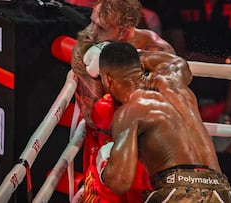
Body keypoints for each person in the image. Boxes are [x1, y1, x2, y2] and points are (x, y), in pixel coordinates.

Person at [96, 42, 231, 202]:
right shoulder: (173, 82)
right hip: (221, 189)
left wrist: (104, 163)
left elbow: (120, 181)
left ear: (107, 80)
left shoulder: (129, 113)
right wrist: (134, 55)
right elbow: (179, 62)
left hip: (178, 192)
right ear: (142, 68)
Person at [69, 0, 176, 201]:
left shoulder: (157, 52)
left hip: (143, 149)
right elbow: (92, 115)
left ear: (124, 32)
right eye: (92, 22)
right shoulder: (90, 42)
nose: (92, 31)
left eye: (100, 27)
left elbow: (161, 112)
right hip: (104, 142)